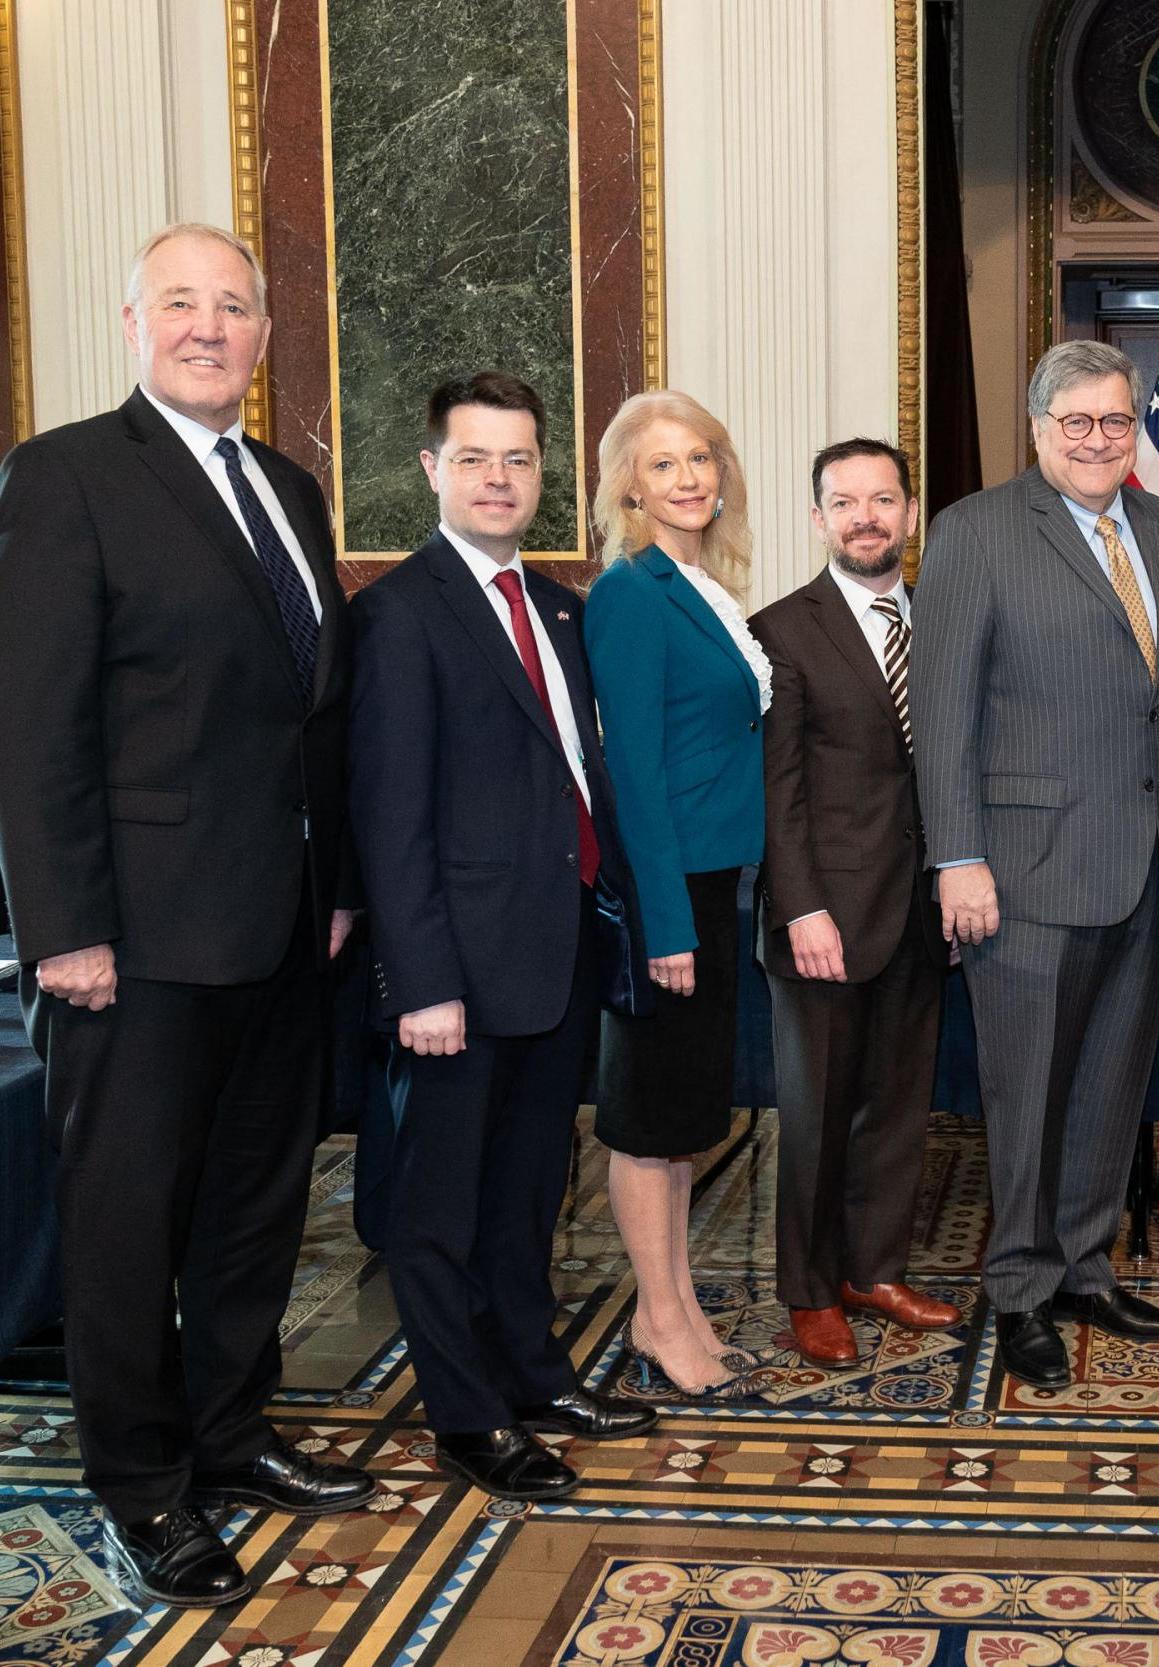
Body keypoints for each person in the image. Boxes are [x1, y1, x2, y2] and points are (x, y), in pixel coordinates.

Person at [0, 223, 373, 1608]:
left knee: (254, 1205)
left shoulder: (286, 485)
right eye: (181, 303)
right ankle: (143, 1483)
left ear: (265, 336)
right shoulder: (68, 475)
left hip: (278, 926)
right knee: (125, 1215)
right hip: (135, 939)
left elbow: (306, 718)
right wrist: (64, 928)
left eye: (233, 307)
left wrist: (331, 889)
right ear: (131, 319)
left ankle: (231, 1430)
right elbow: (35, 725)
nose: (208, 326)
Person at [350, 371, 659, 1503]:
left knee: (530, 1189)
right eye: (474, 458)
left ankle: (532, 1372)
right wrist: (421, 980)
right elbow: (389, 817)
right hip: (455, 976)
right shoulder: (397, 614)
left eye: (518, 459)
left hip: (556, 952)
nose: (497, 478)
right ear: (431, 469)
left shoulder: (558, 607)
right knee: (436, 1210)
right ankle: (468, 1417)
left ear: (543, 474)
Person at [910, 340, 1159, 1391]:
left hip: (1140, 865)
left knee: (1108, 1084)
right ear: (1036, 429)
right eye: (1076, 422)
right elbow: (940, 712)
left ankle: (1085, 1266)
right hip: (1023, 871)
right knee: (1026, 1092)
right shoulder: (975, 533)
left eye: (1115, 422)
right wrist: (956, 857)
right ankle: (1021, 1287)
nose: (1097, 440)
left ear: (1137, 431)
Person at [751, 438, 958, 1367]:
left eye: (884, 499)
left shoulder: (946, 620)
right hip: (824, 917)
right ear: (818, 519)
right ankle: (807, 1289)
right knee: (818, 1110)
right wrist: (800, 909)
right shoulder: (782, 630)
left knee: (897, 1106)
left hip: (921, 908)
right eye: (846, 502)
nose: (867, 517)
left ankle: (874, 1268)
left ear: (910, 513)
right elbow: (777, 787)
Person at [584, 390, 767, 1397]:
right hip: (671, 894)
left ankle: (681, 1302)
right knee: (648, 1117)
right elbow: (633, 774)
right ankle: (656, 1317)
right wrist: (661, 920)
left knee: (684, 1116)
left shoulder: (702, 585)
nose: (689, 476)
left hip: (712, 884)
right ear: (627, 485)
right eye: (662, 464)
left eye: (701, 455)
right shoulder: (629, 592)